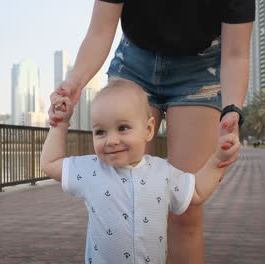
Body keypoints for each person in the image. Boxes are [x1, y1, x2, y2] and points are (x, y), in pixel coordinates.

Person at [48, 1, 254, 263]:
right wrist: (75, 81)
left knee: (187, 211)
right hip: (135, 62)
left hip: (202, 69)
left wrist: (232, 109)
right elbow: (100, 31)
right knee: (117, 183)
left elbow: (237, 54)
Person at [41, 79, 240, 263]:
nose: (111, 140)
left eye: (123, 127)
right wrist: (60, 124)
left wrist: (218, 160)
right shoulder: (91, 170)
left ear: (148, 130)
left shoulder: (162, 172)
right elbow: (51, 163)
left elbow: (196, 192)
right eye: (100, 131)